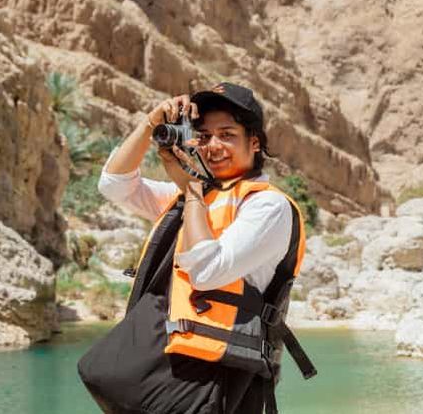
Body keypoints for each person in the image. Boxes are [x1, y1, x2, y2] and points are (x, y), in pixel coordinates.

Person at [83, 82, 315, 414]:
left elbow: (207, 272)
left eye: (227, 135)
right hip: (175, 368)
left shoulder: (267, 206)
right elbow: (114, 185)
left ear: (255, 142)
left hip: (220, 376)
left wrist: (191, 192)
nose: (213, 146)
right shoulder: (196, 195)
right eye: (204, 136)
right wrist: (151, 123)